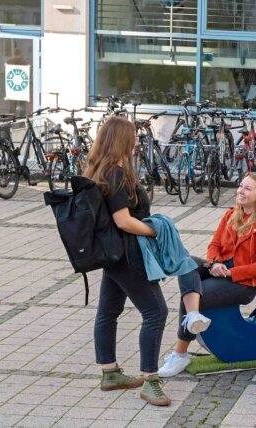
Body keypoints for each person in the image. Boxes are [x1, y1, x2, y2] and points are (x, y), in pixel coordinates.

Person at [85, 116, 171, 406]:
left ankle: (109, 372)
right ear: (123, 140)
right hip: (127, 253)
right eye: (133, 137)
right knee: (156, 312)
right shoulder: (116, 174)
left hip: (113, 255)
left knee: (108, 310)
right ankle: (151, 380)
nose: (136, 142)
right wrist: (154, 229)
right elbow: (123, 221)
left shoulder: (100, 170)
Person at [158, 173, 256, 377]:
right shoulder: (231, 215)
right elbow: (214, 245)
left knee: (193, 294)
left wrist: (229, 272)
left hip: (243, 283)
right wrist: (214, 263)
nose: (241, 190)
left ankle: (180, 354)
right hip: (220, 268)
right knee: (186, 263)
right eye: (241, 186)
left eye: (248, 188)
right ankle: (194, 317)